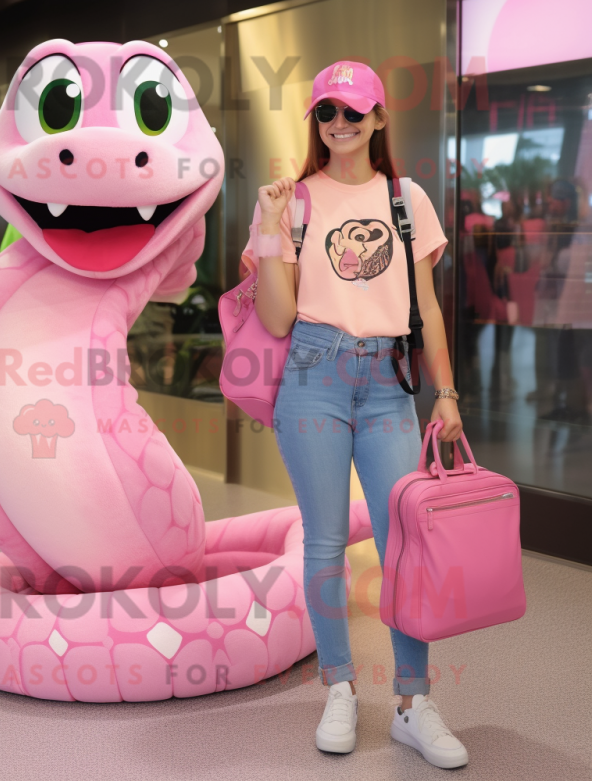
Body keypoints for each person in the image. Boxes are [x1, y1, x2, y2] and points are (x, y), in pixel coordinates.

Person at [242, 61, 467, 769]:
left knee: (407, 543)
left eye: (354, 111)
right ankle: (339, 686)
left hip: (386, 383)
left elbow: (427, 306)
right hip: (312, 375)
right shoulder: (291, 201)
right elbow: (276, 318)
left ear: (377, 119)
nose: (340, 123)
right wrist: (274, 227)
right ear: (316, 121)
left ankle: (412, 701)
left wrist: (448, 393)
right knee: (326, 543)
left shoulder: (407, 199)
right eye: (327, 112)